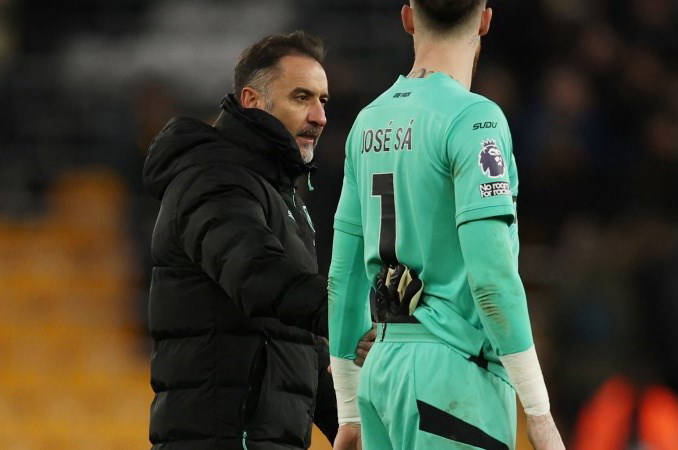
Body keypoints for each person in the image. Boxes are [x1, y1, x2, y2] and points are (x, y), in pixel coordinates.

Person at [328, 1, 565, 449]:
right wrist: (539, 411)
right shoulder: (474, 120)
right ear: (485, 19)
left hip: (382, 371)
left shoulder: (367, 122)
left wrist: (348, 409)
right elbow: (492, 280)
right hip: (455, 376)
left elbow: (343, 275)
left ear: (407, 18)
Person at [143, 31, 337, 450]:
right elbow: (257, 277)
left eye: (323, 101)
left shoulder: (280, 195)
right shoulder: (212, 178)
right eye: (302, 97)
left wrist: (352, 424)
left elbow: (292, 338)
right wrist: (350, 311)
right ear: (252, 100)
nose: (320, 116)